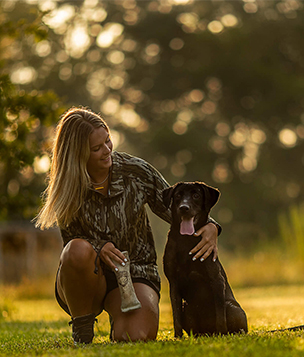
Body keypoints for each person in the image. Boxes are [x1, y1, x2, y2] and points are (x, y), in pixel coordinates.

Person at [35, 107, 220, 344]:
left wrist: (212, 226)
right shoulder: (69, 186)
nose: (107, 150)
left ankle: (121, 320)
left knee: (135, 337)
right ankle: (82, 328)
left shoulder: (136, 171)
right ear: (78, 154)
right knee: (76, 250)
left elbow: (173, 207)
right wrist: (100, 247)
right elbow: (72, 241)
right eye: (96, 148)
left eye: (108, 140)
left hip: (137, 273)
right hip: (88, 279)